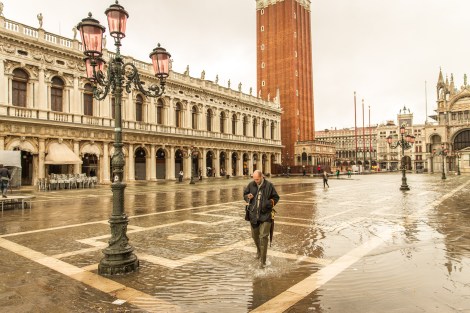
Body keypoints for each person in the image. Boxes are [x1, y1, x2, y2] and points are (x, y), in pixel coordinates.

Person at [243, 170, 280, 268]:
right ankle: (259, 251)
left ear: (262, 177)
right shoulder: (251, 185)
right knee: (255, 237)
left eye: (257, 179)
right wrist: (247, 197)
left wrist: (268, 204)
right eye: (254, 179)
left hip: (266, 215)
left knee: (263, 238)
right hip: (253, 215)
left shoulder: (269, 185)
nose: (256, 181)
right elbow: (245, 194)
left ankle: (263, 262)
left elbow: (276, 197)